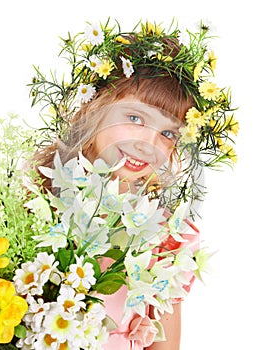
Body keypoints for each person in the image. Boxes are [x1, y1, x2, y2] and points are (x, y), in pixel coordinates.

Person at [30, 19, 237, 350]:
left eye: (167, 133)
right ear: (93, 108)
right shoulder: (34, 203)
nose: (148, 143)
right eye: (135, 118)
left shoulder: (166, 238)